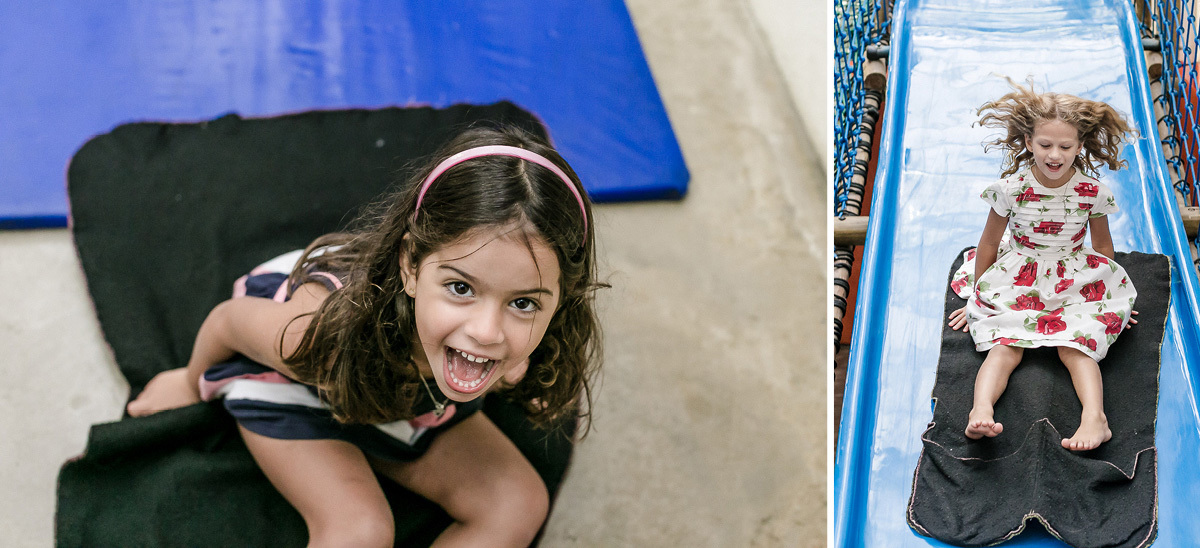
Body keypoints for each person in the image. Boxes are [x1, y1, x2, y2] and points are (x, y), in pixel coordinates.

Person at [125, 125, 603, 547]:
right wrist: (188, 383)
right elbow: (229, 321)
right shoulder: (315, 335)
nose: (487, 331)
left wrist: (519, 374)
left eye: (523, 303)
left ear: (561, 299)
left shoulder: (513, 348)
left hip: (401, 400)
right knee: (361, 532)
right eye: (460, 288)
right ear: (411, 265)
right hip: (301, 387)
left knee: (516, 503)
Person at [946, 81, 1139, 452]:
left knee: (1076, 346)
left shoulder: (1091, 192)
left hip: (1073, 277)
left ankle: (1094, 418)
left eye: (1065, 147)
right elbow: (988, 243)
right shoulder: (1011, 189)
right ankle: (980, 410)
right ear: (1028, 142)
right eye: (1045, 145)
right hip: (1019, 276)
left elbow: (1101, 246)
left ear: (1080, 146)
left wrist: (1109, 299)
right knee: (1005, 346)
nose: (1054, 155)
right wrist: (975, 294)